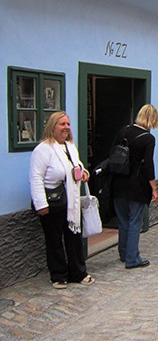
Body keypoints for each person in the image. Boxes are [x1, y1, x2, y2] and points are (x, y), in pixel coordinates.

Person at [29, 111, 95, 289]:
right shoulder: (43, 149)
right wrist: (41, 204)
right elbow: (36, 177)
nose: (66, 127)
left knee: (73, 237)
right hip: (53, 202)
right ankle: (58, 275)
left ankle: (78, 272)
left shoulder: (70, 146)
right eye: (62, 124)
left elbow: (77, 166)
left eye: (68, 124)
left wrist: (84, 172)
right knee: (54, 240)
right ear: (53, 126)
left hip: (71, 202)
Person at [111, 104, 158, 269]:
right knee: (134, 222)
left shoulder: (123, 131)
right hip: (136, 184)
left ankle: (124, 253)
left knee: (123, 221)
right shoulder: (148, 138)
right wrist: (153, 187)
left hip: (118, 182)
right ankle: (132, 258)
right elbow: (148, 166)